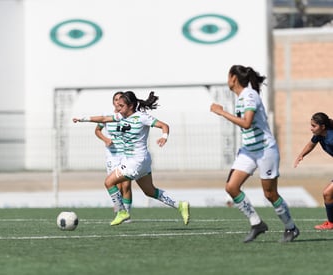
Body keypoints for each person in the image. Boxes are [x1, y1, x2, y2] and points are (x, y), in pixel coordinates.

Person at [210, 65, 300, 242]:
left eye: (228, 76)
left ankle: (291, 228)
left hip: (266, 150)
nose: (227, 79)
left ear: (233, 78)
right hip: (249, 151)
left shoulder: (250, 96)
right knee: (231, 188)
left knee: (270, 194)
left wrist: (221, 112)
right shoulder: (241, 97)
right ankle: (256, 223)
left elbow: (246, 123)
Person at [73, 91, 190, 226]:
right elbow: (103, 119)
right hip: (139, 161)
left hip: (137, 161)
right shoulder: (120, 116)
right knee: (150, 191)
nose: (119, 108)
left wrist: (164, 137)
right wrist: (82, 119)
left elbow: (164, 126)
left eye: (122, 106)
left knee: (109, 182)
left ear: (131, 105)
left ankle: (122, 212)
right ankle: (180, 205)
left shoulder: (142, 117)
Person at [95, 91, 133, 215]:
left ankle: (126, 213)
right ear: (113, 102)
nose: (118, 101)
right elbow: (97, 131)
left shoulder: (128, 116)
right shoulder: (107, 116)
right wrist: (106, 139)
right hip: (112, 155)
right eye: (116, 99)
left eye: (120, 99)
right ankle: (119, 207)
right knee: (114, 184)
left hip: (127, 154)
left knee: (126, 185)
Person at [294, 112, 333, 230]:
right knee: (328, 194)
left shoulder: (331, 138)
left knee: (327, 193)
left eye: (313, 126)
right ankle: (331, 223)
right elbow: (311, 145)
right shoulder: (320, 135)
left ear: (323, 127)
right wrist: (301, 155)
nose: (311, 128)